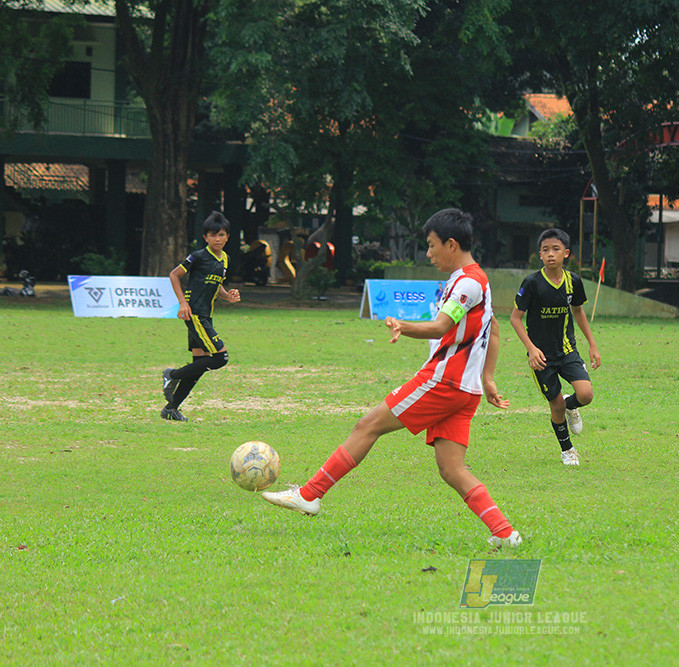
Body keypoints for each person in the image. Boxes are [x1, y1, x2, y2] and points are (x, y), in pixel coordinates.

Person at [262, 208, 522, 549]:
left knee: (367, 425)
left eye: (432, 245)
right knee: (452, 469)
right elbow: (494, 329)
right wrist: (486, 379)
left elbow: (441, 327)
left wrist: (403, 325)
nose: (428, 254)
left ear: (451, 244)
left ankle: (310, 495)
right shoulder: (476, 281)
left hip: (443, 382)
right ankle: (504, 532)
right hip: (464, 390)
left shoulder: (468, 283)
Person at [510, 228, 601, 466]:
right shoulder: (531, 283)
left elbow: (578, 311)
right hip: (541, 357)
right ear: (539, 254)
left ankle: (572, 406)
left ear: (566, 253)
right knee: (556, 404)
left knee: (586, 395)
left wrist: (592, 344)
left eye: (556, 249)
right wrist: (531, 349)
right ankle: (568, 450)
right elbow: (515, 318)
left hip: (567, 350)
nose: (551, 254)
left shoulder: (573, 281)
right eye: (546, 250)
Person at [160, 211, 241, 421]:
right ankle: (171, 375)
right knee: (220, 358)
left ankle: (171, 409)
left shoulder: (225, 259)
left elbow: (217, 285)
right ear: (205, 237)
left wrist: (228, 296)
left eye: (221, 235)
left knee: (199, 364)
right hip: (195, 314)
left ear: (228, 237)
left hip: (207, 315)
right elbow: (174, 274)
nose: (217, 239)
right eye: (213, 235)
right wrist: (183, 303)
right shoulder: (198, 256)